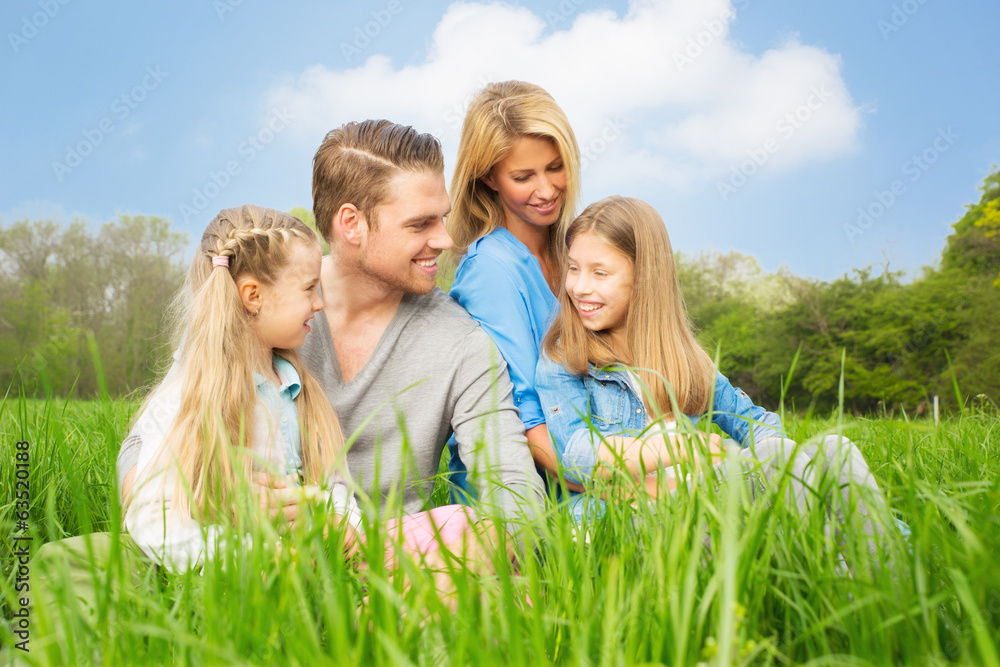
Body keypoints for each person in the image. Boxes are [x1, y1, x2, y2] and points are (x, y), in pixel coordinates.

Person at [120, 121, 545, 560]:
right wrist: (214, 491)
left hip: (388, 560)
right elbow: (145, 444)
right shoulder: (258, 307)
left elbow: (518, 500)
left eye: (442, 217)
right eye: (420, 223)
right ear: (352, 223)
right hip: (242, 552)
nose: (445, 239)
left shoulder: (462, 343)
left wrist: (389, 554)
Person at [535, 196, 895, 556]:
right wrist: (683, 448)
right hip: (618, 525)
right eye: (573, 268)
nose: (580, 287)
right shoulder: (565, 359)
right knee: (784, 465)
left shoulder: (685, 361)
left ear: (645, 277)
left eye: (599, 273)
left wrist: (746, 455)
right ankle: (824, 564)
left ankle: (884, 575)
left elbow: (755, 422)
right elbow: (574, 458)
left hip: (699, 504)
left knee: (835, 451)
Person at [446, 80, 583, 490]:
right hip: (526, 491)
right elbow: (524, 417)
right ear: (489, 178)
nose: (546, 190)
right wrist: (622, 487)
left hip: (585, 462)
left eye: (555, 167)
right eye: (524, 176)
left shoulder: (576, 252)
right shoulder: (490, 270)